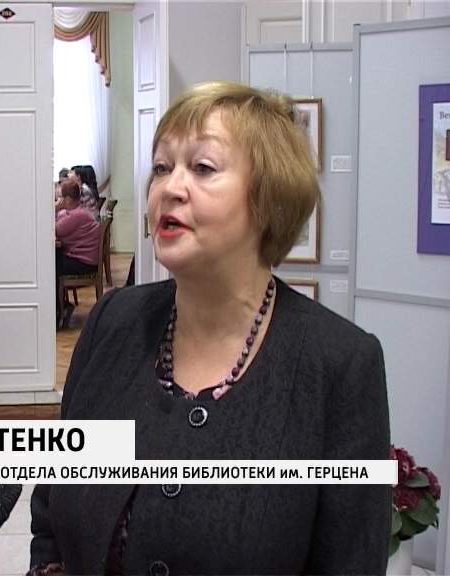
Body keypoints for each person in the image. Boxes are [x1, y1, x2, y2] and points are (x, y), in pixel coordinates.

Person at [29, 82, 390, 574]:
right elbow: (51, 513)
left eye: (202, 167)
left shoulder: (340, 365)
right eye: (162, 167)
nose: (169, 188)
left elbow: (350, 562)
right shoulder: (112, 321)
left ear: (268, 199)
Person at [55, 180, 100, 328]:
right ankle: (61, 306)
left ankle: (58, 311)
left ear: (67, 199)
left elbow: (56, 229)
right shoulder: (78, 212)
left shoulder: (77, 216)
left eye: (60, 197)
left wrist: (55, 208)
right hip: (82, 257)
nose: (59, 200)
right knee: (54, 260)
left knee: (51, 264)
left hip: (84, 262)